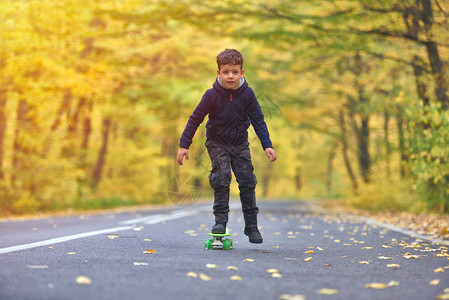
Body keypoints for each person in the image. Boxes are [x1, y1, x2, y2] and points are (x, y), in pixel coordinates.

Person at [177, 49, 277, 244]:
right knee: (221, 177)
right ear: (218, 73)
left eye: (235, 72)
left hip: (240, 144)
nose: (230, 76)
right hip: (217, 143)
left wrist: (267, 145)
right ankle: (220, 222)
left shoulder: (247, 94)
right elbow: (195, 119)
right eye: (225, 72)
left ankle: (252, 226)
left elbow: (258, 121)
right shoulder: (211, 95)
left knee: (247, 181)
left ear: (242, 72)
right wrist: (184, 144)